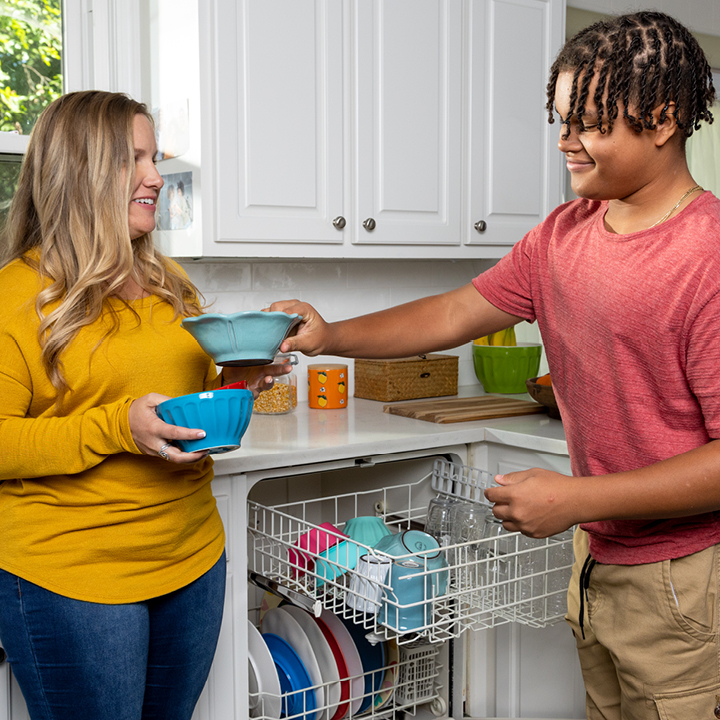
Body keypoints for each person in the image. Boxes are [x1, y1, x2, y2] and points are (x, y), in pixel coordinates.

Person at [270, 11, 720, 719]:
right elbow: (452, 313)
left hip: (684, 578)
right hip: (597, 563)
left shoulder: (707, 255)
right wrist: (329, 336)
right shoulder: (562, 236)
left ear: (662, 120)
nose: (566, 141)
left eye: (590, 123)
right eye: (563, 120)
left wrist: (577, 499)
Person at [0, 90, 287, 720]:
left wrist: (239, 378)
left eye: (155, 158)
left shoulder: (167, 283)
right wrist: (115, 428)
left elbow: (176, 404)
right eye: (135, 158)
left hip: (191, 558)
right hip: (76, 575)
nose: (156, 177)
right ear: (80, 171)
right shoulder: (16, 296)